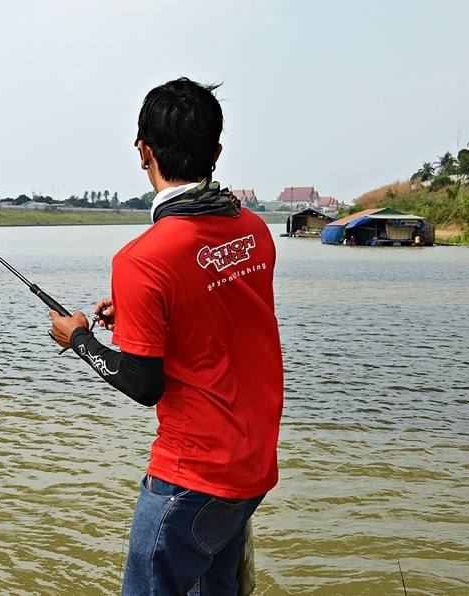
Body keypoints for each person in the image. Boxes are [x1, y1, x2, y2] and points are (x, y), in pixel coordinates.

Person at [49, 78, 283, 595]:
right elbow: (218, 313)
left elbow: (144, 384)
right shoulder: (255, 230)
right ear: (217, 152)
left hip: (191, 477)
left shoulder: (142, 259)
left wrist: (80, 340)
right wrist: (138, 312)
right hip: (253, 465)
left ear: (143, 151)